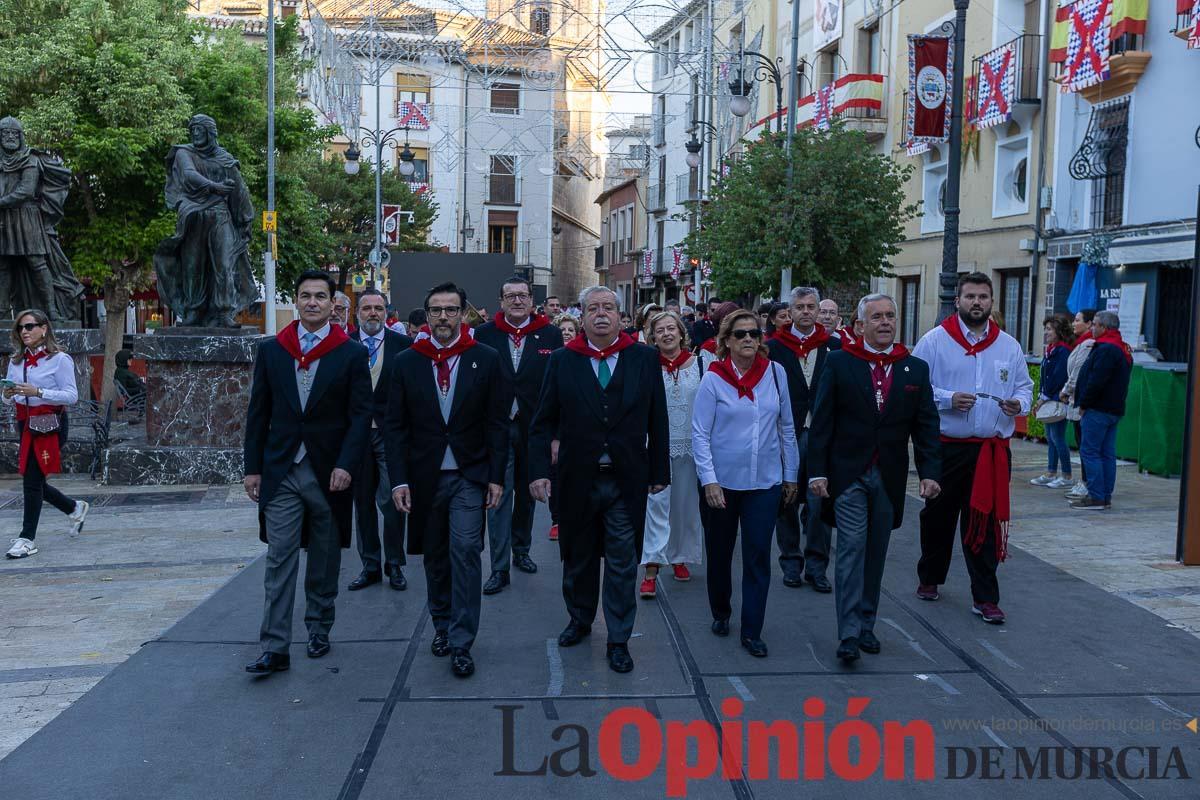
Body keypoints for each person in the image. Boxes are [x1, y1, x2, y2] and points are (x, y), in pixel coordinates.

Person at [529, 285, 670, 674]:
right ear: (583, 316)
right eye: (594, 308)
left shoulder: (643, 358)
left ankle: (619, 638)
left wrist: (660, 471)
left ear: (622, 317)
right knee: (579, 556)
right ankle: (579, 618)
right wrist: (539, 471)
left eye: (609, 308)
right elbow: (541, 422)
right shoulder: (562, 360)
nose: (601, 314)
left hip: (626, 479)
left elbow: (658, 418)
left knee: (624, 561)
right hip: (577, 478)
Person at [243, 270, 372, 675]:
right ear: (296, 301)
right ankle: (274, 646)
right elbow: (258, 413)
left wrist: (346, 465)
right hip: (281, 470)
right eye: (305, 296)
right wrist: (252, 468)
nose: (312, 302)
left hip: (328, 471)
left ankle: (319, 626)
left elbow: (360, 416)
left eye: (320, 296)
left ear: (333, 303)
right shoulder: (272, 350)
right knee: (279, 558)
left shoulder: (349, 353)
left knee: (324, 556)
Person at [809, 294, 941, 662]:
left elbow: (926, 424)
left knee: (875, 553)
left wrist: (930, 473)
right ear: (859, 326)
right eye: (877, 316)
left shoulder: (914, 368)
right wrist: (817, 472)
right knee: (851, 548)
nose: (885, 322)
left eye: (890, 316)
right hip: (848, 474)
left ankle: (867, 622)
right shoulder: (839, 362)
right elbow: (822, 422)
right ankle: (848, 633)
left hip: (889, 476)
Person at [386, 282, 508, 678]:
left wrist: (496, 477)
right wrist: (399, 481)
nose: (443, 316)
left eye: (451, 309)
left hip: (469, 475)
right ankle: (441, 624)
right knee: (435, 556)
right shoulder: (407, 361)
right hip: (424, 477)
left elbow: (496, 424)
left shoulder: (485, 359)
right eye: (436, 309)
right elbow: (395, 427)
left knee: (467, 551)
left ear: (463, 314)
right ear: (426, 314)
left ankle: (461, 641)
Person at [912, 272, 1032, 625]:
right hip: (946, 448)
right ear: (958, 301)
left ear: (992, 302)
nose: (977, 303)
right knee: (938, 517)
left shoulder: (1008, 345)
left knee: (984, 521)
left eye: (983, 297)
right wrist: (949, 399)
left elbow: (1025, 388)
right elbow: (915, 390)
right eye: (970, 297)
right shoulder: (935, 341)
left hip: (990, 452)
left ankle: (986, 596)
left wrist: (1018, 404)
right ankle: (930, 575)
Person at [692, 309, 798, 657]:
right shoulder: (713, 379)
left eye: (754, 333)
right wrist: (709, 481)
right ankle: (721, 611)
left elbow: (786, 428)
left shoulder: (776, 374)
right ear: (726, 341)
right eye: (740, 334)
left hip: (764, 483)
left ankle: (752, 629)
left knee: (757, 557)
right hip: (721, 483)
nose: (749, 339)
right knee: (720, 554)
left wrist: (790, 475)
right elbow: (700, 434)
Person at [474, 275, 564, 593]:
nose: (516, 301)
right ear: (501, 301)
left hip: (534, 428)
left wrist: (555, 434)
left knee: (528, 493)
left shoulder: (550, 335)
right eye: (510, 296)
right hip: (495, 428)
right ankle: (498, 567)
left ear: (531, 301)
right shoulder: (484, 334)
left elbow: (558, 388)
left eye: (522, 296)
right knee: (498, 495)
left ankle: (521, 549)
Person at [767, 287, 839, 591]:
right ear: (790, 312)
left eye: (811, 306)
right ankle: (791, 563)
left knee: (820, 501)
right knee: (787, 501)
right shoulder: (773, 348)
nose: (806, 311)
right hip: (787, 434)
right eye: (800, 307)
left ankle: (818, 566)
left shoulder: (834, 347)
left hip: (823, 435)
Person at [3, 310, 90, 559]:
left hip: (51, 425)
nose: (25, 332)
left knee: (31, 480)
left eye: (30, 326)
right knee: (35, 480)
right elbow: (9, 396)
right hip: (25, 424)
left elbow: (71, 396)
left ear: (44, 329)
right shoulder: (16, 361)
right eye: (21, 328)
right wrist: (7, 395)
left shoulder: (60, 359)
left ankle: (27, 538)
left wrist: (38, 391)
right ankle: (74, 508)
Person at [347, 288, 413, 592]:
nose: (373, 313)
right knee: (362, 504)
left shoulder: (403, 346)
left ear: (387, 312)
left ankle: (395, 564)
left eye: (378, 308)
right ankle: (370, 565)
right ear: (357, 313)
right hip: (357, 438)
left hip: (391, 436)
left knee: (392, 500)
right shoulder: (345, 346)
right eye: (367, 308)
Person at [639, 310, 705, 598]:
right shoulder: (646, 366)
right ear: (653, 337)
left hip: (691, 445)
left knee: (685, 506)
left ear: (681, 332)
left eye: (671, 329)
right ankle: (652, 567)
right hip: (656, 445)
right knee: (656, 506)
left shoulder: (701, 364)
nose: (666, 334)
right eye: (660, 330)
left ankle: (680, 557)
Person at [1071, 311, 1133, 511]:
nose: (1092, 328)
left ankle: (1097, 496)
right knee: (1106, 453)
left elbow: (1096, 381)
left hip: (1098, 409)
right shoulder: (1120, 348)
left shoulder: (1107, 349)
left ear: (1105, 328)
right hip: (1112, 409)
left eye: (1095, 324)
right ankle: (1104, 496)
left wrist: (1083, 404)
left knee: (1090, 451)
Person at [1030, 315, 1074, 490]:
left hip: (1057, 400)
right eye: (1045, 328)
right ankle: (1051, 472)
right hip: (1049, 398)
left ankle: (1067, 475)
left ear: (1059, 331)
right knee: (1051, 437)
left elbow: (1057, 377)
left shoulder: (1063, 351)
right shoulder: (1051, 349)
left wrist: (1043, 398)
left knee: (1058, 438)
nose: (1046, 332)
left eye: (1049, 329)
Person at [1060, 309, 1096, 500]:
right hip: (1076, 399)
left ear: (1089, 324)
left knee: (1085, 445)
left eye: (1077, 320)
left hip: (1080, 400)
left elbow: (1077, 373)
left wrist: (1065, 390)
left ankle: (1087, 482)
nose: (1074, 323)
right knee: (1082, 443)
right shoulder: (1081, 343)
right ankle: (1086, 481)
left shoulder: (1088, 344)